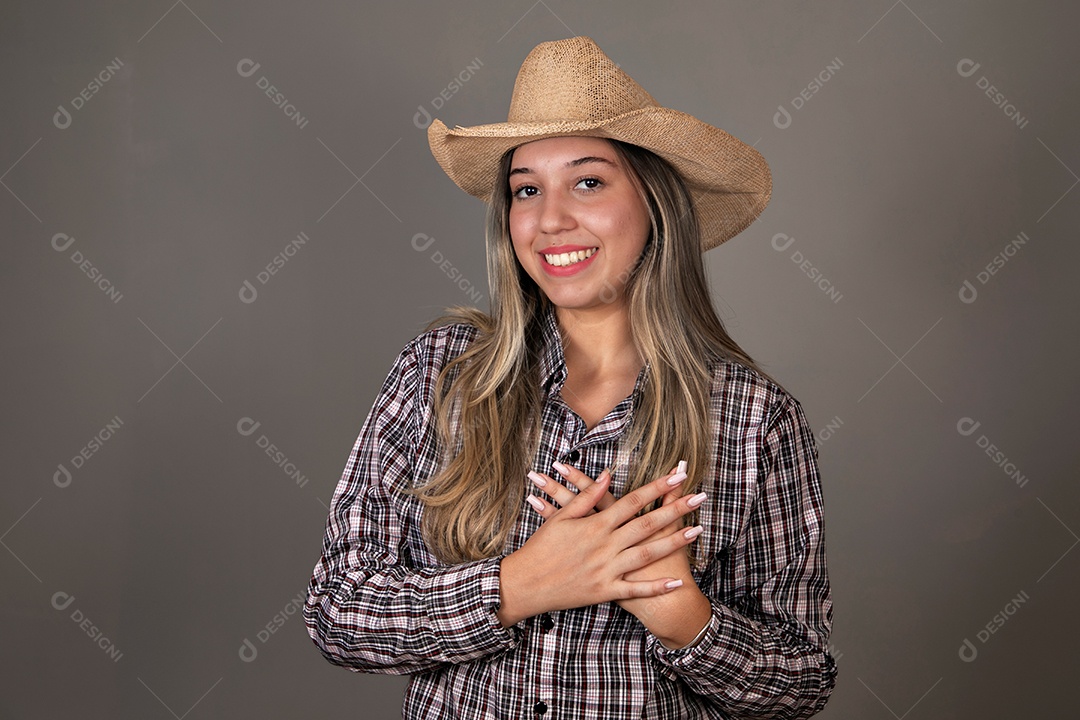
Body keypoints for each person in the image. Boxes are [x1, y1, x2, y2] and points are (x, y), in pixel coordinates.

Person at [304, 36, 836, 719]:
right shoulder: (439, 372)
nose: (551, 220)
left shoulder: (756, 417)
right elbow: (338, 613)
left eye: (588, 181)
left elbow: (800, 685)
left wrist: (687, 618)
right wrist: (517, 585)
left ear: (655, 201)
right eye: (528, 190)